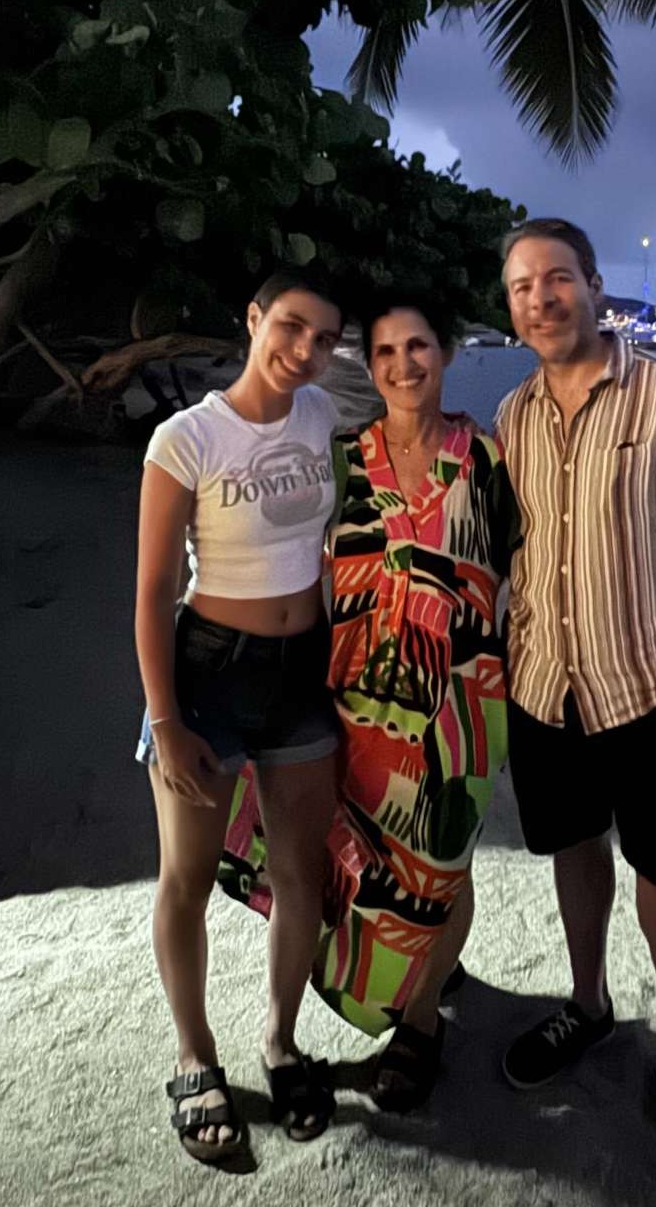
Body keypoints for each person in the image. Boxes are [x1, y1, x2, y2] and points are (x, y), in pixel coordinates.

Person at [494, 219, 656, 1187]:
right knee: (573, 848)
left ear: (595, 285)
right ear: (510, 307)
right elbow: (511, 550)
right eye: (522, 285)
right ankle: (589, 1002)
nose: (542, 297)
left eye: (557, 277)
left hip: (646, 682)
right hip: (541, 682)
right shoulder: (514, 414)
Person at [221, 297, 515, 1112]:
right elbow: (276, 547)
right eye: (385, 351)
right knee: (357, 867)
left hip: (458, 707)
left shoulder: (488, 460)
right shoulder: (343, 459)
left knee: (440, 868)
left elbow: (531, 577)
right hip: (350, 702)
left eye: (418, 346)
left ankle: (419, 1023)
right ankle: (386, 985)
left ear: (445, 352)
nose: (402, 365)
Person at [134, 268, 345, 1162]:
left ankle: (281, 1041)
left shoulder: (320, 414)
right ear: (253, 319)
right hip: (209, 674)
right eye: (290, 326)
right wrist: (165, 720)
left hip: (303, 672)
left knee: (301, 870)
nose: (305, 350)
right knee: (185, 876)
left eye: (324, 338)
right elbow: (152, 592)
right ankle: (195, 1056)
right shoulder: (187, 437)